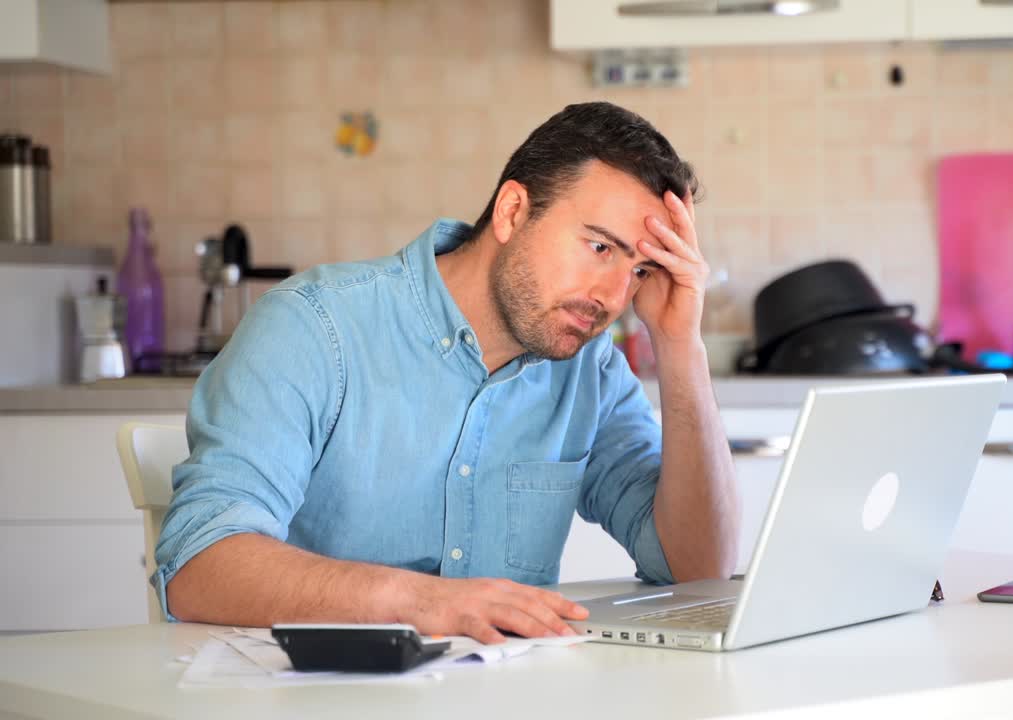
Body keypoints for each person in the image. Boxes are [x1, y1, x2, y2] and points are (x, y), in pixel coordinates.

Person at [154, 102, 740, 644]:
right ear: (513, 211)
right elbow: (199, 564)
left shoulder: (591, 371)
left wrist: (678, 343)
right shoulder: (314, 329)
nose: (614, 297)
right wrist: (417, 601)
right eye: (600, 248)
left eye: (640, 271)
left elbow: (697, 570)